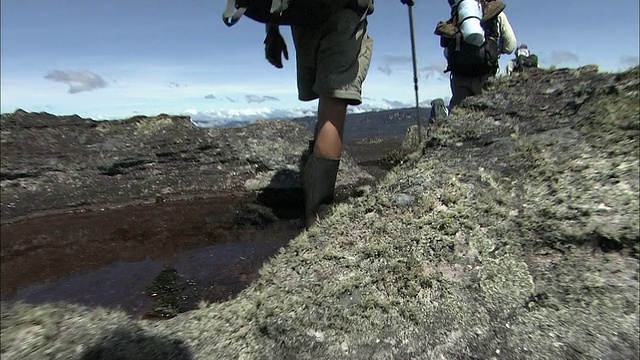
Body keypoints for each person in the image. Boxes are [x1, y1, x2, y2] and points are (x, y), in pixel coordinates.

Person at [263, 0, 374, 228]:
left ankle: (312, 201)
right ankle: (317, 217)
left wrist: (271, 30)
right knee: (332, 105)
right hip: (344, 15)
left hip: (302, 19)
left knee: (325, 101)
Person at [439, 0, 516, 110]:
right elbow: (510, 47)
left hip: (460, 78)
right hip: (485, 75)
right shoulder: (495, 14)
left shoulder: (456, 18)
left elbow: (447, 53)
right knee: (488, 113)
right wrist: (494, 50)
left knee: (459, 115)